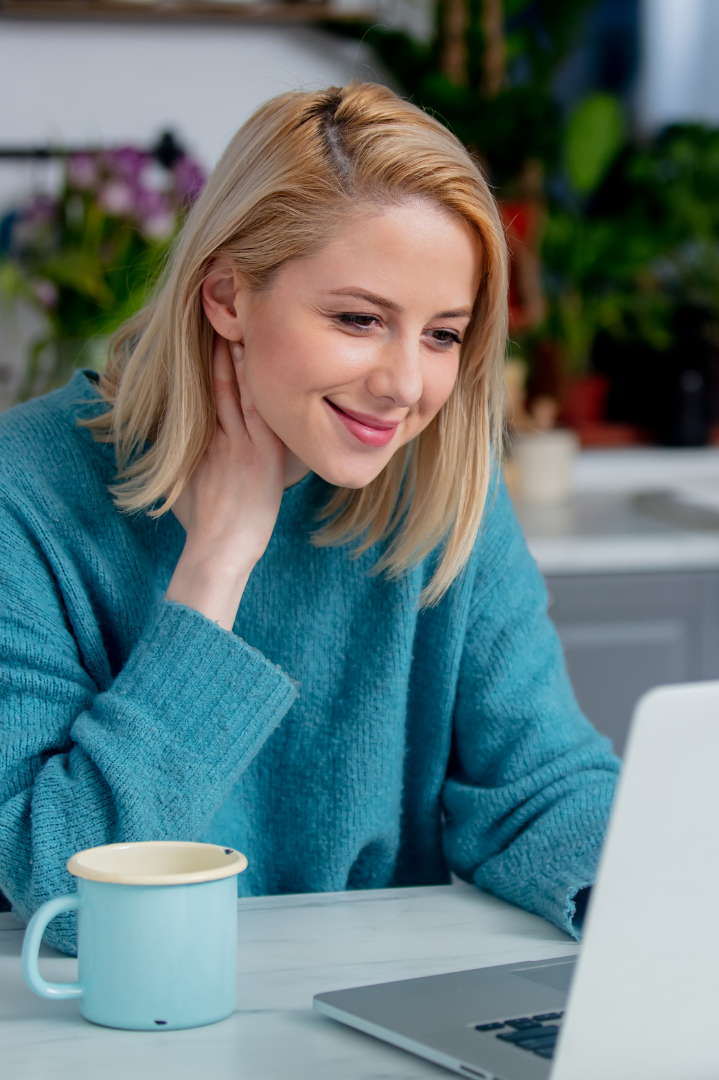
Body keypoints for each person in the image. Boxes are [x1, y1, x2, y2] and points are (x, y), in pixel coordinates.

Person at [0, 83, 619, 954]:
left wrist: (661, 902)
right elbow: (63, 888)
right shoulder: (23, 489)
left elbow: (541, 786)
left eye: (443, 334)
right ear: (226, 297)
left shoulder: (440, 486)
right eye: (360, 319)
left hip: (369, 1008)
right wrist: (217, 561)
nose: (406, 386)